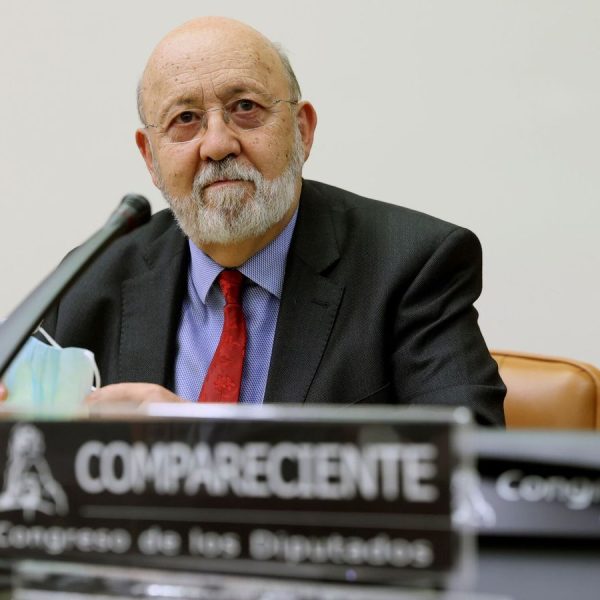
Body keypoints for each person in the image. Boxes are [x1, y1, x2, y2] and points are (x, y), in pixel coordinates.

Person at [2, 16, 505, 424]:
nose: (217, 144)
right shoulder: (93, 279)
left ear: (302, 131)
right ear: (150, 157)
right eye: (185, 119)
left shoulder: (411, 266)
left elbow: (470, 465)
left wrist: (205, 447)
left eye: (245, 107)